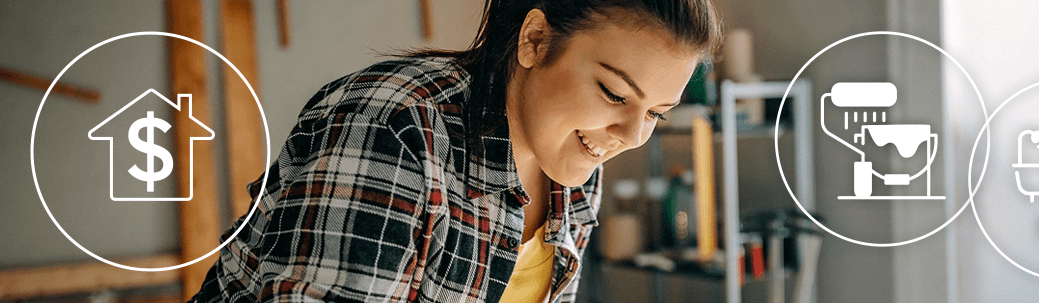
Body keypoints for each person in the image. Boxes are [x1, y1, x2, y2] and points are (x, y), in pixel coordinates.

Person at [190, 0, 720, 302]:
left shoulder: (578, 159)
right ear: (534, 39)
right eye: (613, 93)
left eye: (656, 113)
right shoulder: (394, 125)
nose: (630, 136)